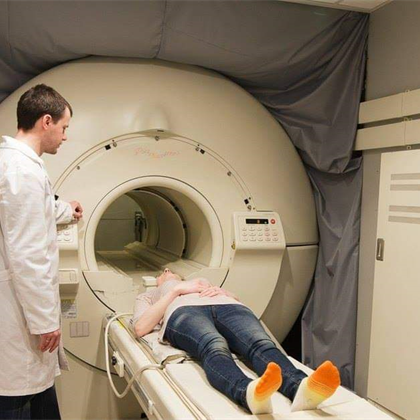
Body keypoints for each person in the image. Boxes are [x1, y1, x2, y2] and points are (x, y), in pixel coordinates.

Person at [133, 269, 341, 414]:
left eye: (172, 270)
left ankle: (301, 387)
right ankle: (247, 392)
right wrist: (175, 290)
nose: (167, 271)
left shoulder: (202, 282)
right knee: (213, 344)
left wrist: (227, 293)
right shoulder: (151, 294)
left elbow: (236, 300)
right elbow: (141, 327)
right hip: (183, 311)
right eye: (163, 272)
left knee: (261, 343)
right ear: (157, 281)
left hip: (229, 306)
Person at [0, 84, 83, 420]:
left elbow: (34, 211)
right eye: (64, 127)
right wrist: (45, 321)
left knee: (38, 398)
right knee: (18, 400)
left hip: (21, 309)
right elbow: (28, 254)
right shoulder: (21, 171)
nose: (65, 136)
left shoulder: (17, 164)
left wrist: (66, 210)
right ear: (46, 121)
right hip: (18, 314)